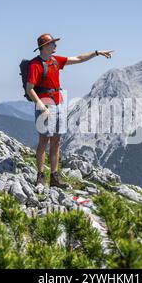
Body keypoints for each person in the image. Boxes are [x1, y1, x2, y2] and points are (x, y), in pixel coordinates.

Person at [26, 33, 113, 188]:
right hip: (46, 105)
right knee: (44, 141)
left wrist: (96, 53)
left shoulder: (55, 60)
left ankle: (54, 176)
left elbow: (78, 58)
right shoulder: (35, 65)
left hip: (59, 103)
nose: (55, 46)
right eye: (52, 43)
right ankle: (40, 176)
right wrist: (41, 106)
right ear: (45, 46)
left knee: (57, 141)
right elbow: (29, 89)